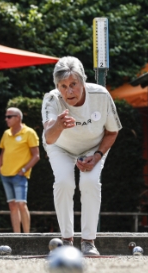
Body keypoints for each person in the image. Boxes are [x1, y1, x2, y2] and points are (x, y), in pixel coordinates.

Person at [41, 56, 121, 256]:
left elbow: (112, 132)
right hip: (60, 146)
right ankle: (67, 240)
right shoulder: (52, 99)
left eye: (74, 84)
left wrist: (98, 155)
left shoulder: (101, 96)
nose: (69, 91)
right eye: (63, 86)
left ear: (83, 81)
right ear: (57, 86)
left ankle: (88, 241)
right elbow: (49, 138)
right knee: (64, 183)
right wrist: (58, 125)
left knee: (90, 182)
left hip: (93, 147)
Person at [0, 107, 40, 233]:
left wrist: (23, 170)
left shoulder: (29, 132)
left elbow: (36, 155)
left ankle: (26, 236)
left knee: (21, 204)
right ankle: (16, 236)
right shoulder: (6, 133)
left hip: (20, 175)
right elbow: (3, 151)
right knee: (12, 205)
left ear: (18, 118)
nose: (6, 119)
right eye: (6, 116)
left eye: (9, 117)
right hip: (5, 174)